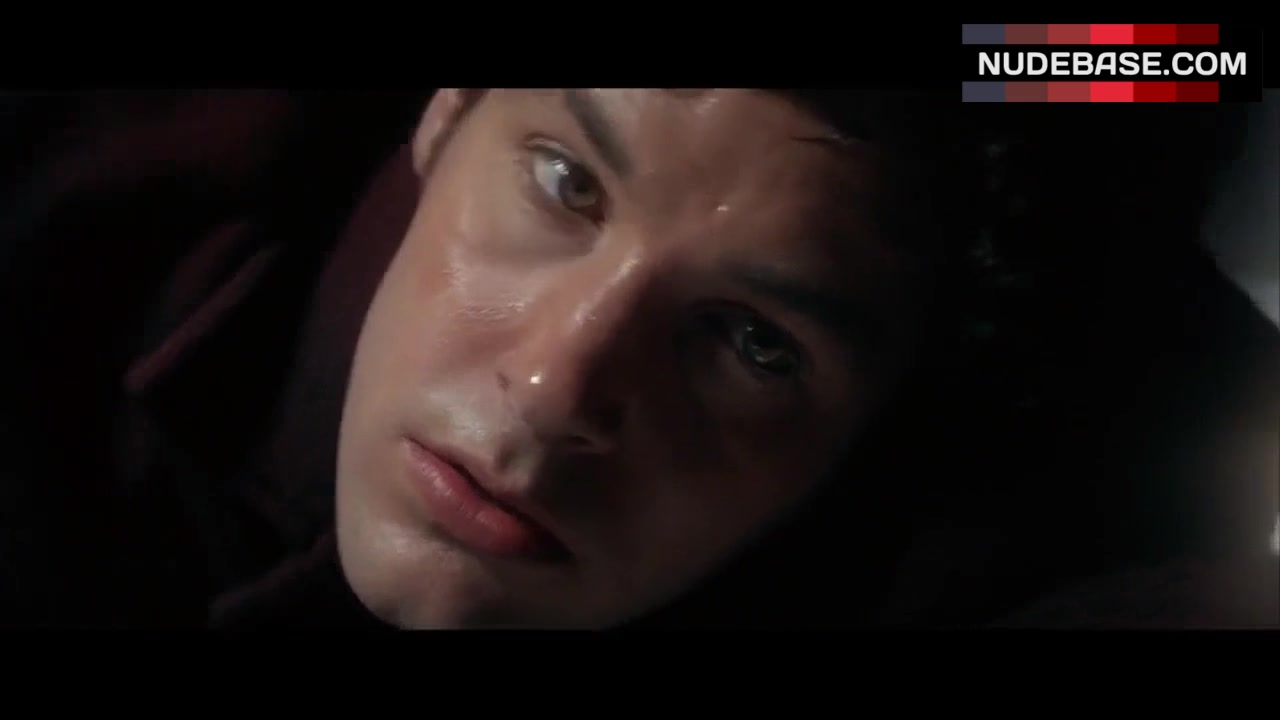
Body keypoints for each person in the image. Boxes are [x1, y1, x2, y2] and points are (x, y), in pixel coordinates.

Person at [0, 90, 1275, 629]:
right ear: (447, 109)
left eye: (752, 341)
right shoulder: (67, 224)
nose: (554, 392)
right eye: (564, 186)